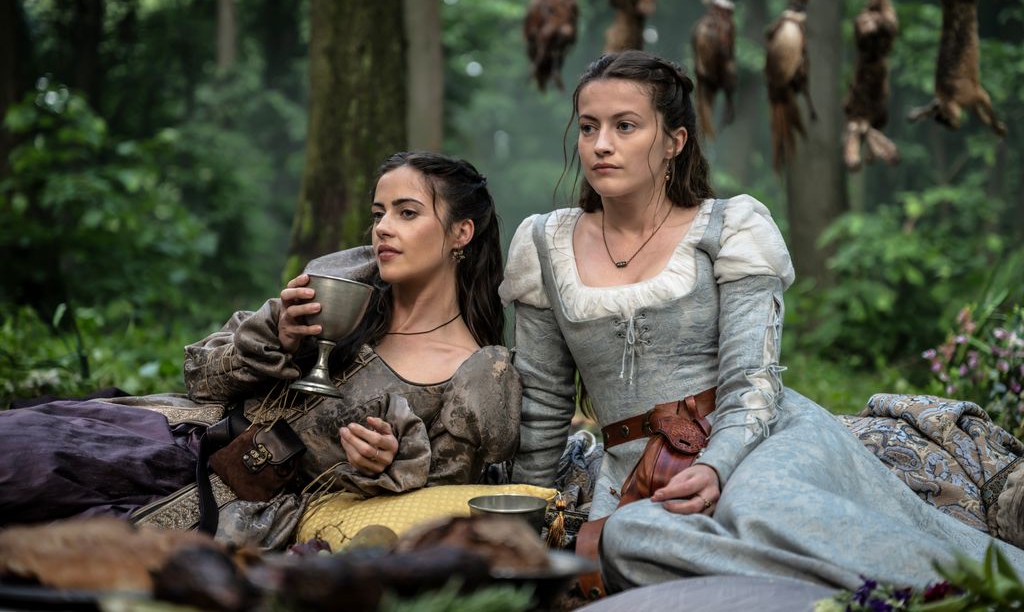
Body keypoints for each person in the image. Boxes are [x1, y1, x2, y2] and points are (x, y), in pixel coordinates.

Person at [499, 50, 1024, 595]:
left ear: (674, 142)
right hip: (637, 474)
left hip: (757, 439)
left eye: (625, 126)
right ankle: (832, 600)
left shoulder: (730, 229)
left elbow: (751, 380)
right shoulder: (546, 244)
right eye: (589, 128)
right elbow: (542, 400)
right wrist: (522, 523)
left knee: (760, 511)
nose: (601, 144)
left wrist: (717, 466)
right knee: (630, 537)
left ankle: (955, 592)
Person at [0, 151, 521, 545]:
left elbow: (445, 500)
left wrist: (386, 463)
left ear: (461, 233)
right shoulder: (343, 293)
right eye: (379, 211)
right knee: (20, 454)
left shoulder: (476, 374)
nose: (383, 227)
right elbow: (198, 375)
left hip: (244, 507)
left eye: (407, 213)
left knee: (54, 553)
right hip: (181, 437)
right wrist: (279, 337)